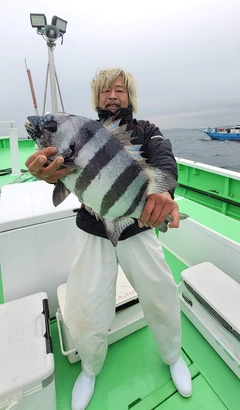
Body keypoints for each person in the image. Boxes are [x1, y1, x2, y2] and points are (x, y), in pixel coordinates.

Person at [25, 68, 192, 410]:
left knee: (161, 296)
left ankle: (173, 355)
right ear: (97, 98)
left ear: (129, 96)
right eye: (105, 91)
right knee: (84, 308)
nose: (112, 95)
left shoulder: (148, 131)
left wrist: (165, 193)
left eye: (119, 89)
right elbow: (68, 177)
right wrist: (48, 175)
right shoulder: (81, 132)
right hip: (92, 227)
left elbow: (164, 160)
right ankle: (90, 367)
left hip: (138, 227)